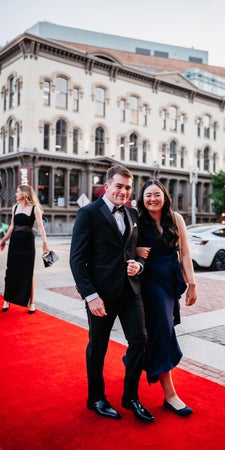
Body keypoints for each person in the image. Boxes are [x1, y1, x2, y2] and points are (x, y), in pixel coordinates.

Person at [69, 165, 154, 423]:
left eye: (128, 187)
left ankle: (130, 397)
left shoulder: (132, 213)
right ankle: (96, 398)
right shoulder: (88, 214)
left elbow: (137, 252)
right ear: (107, 186)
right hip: (101, 296)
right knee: (98, 347)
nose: (124, 191)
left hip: (130, 292)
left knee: (140, 341)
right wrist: (90, 295)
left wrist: (138, 265)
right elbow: (76, 259)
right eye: (119, 186)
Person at [136, 179, 197, 417]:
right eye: (148, 195)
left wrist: (192, 283)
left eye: (157, 194)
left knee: (160, 331)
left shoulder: (177, 219)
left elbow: (185, 254)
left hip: (171, 283)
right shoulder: (137, 220)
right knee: (163, 330)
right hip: (149, 283)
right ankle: (170, 394)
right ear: (142, 198)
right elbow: (122, 248)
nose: (153, 199)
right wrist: (136, 251)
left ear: (165, 196)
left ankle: (138, 361)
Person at [0, 184, 50, 314]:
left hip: (28, 242)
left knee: (28, 272)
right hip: (15, 242)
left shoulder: (35, 209)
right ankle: (7, 299)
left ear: (24, 193)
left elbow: (40, 227)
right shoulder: (15, 207)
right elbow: (11, 226)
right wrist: (4, 240)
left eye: (17, 192)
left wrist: (45, 243)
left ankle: (31, 302)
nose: (16, 194)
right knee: (10, 271)